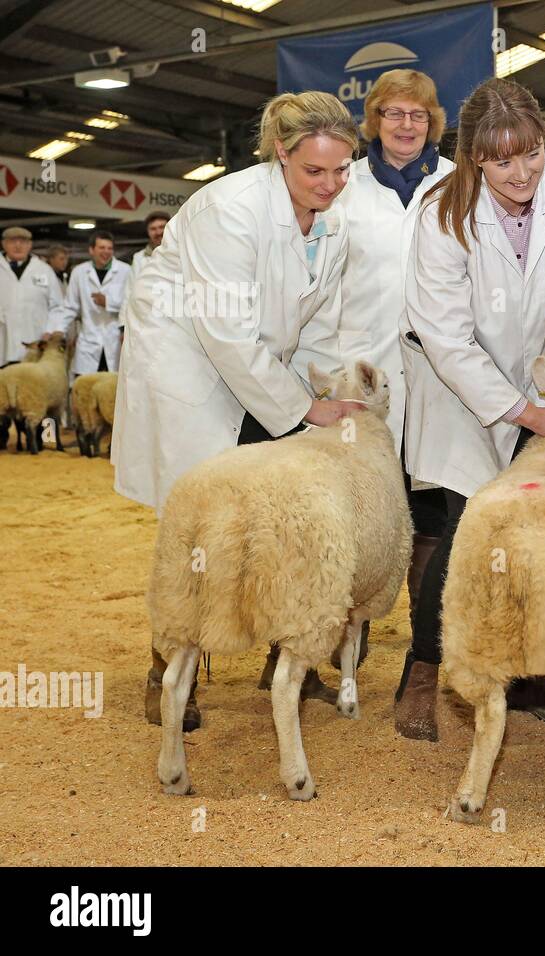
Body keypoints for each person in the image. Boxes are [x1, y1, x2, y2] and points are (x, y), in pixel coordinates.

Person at [392, 78, 545, 740]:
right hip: (454, 384)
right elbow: (444, 335)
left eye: (531, 154)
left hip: (522, 372)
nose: (521, 172)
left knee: (531, 531)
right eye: (502, 161)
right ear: (473, 159)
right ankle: (422, 669)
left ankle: (526, 671)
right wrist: (526, 413)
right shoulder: (439, 212)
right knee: (470, 528)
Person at [113, 90, 359, 728]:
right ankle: (169, 670)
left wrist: (327, 393)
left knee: (277, 512)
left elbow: (318, 324)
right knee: (201, 522)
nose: (331, 184)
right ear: (282, 153)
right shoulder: (230, 209)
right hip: (187, 361)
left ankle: (283, 660)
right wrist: (304, 407)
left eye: (342, 169)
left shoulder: (332, 219)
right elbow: (226, 334)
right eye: (315, 171)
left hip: (257, 365)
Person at [335, 68, 456, 652]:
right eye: (393, 113)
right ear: (375, 120)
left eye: (418, 114)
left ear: (432, 122)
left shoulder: (461, 185)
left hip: (442, 375)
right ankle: (337, 632)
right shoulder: (344, 187)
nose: (406, 124)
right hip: (363, 370)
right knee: (353, 507)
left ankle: (425, 644)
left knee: (431, 508)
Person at [47, 230, 130, 374]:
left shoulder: (126, 271)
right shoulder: (79, 272)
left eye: (110, 248)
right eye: (102, 248)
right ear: (91, 250)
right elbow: (70, 306)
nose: (106, 252)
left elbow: (132, 305)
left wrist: (109, 302)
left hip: (115, 341)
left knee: (111, 390)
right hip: (88, 341)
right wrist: (59, 329)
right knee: (85, 388)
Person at [0, 226, 63, 366]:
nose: (18, 245)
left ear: (30, 245)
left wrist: (50, 330)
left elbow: (57, 306)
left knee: (30, 385)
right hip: (3, 342)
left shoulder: (44, 270)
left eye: (22, 241)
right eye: (12, 241)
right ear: (3, 244)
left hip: (34, 342)